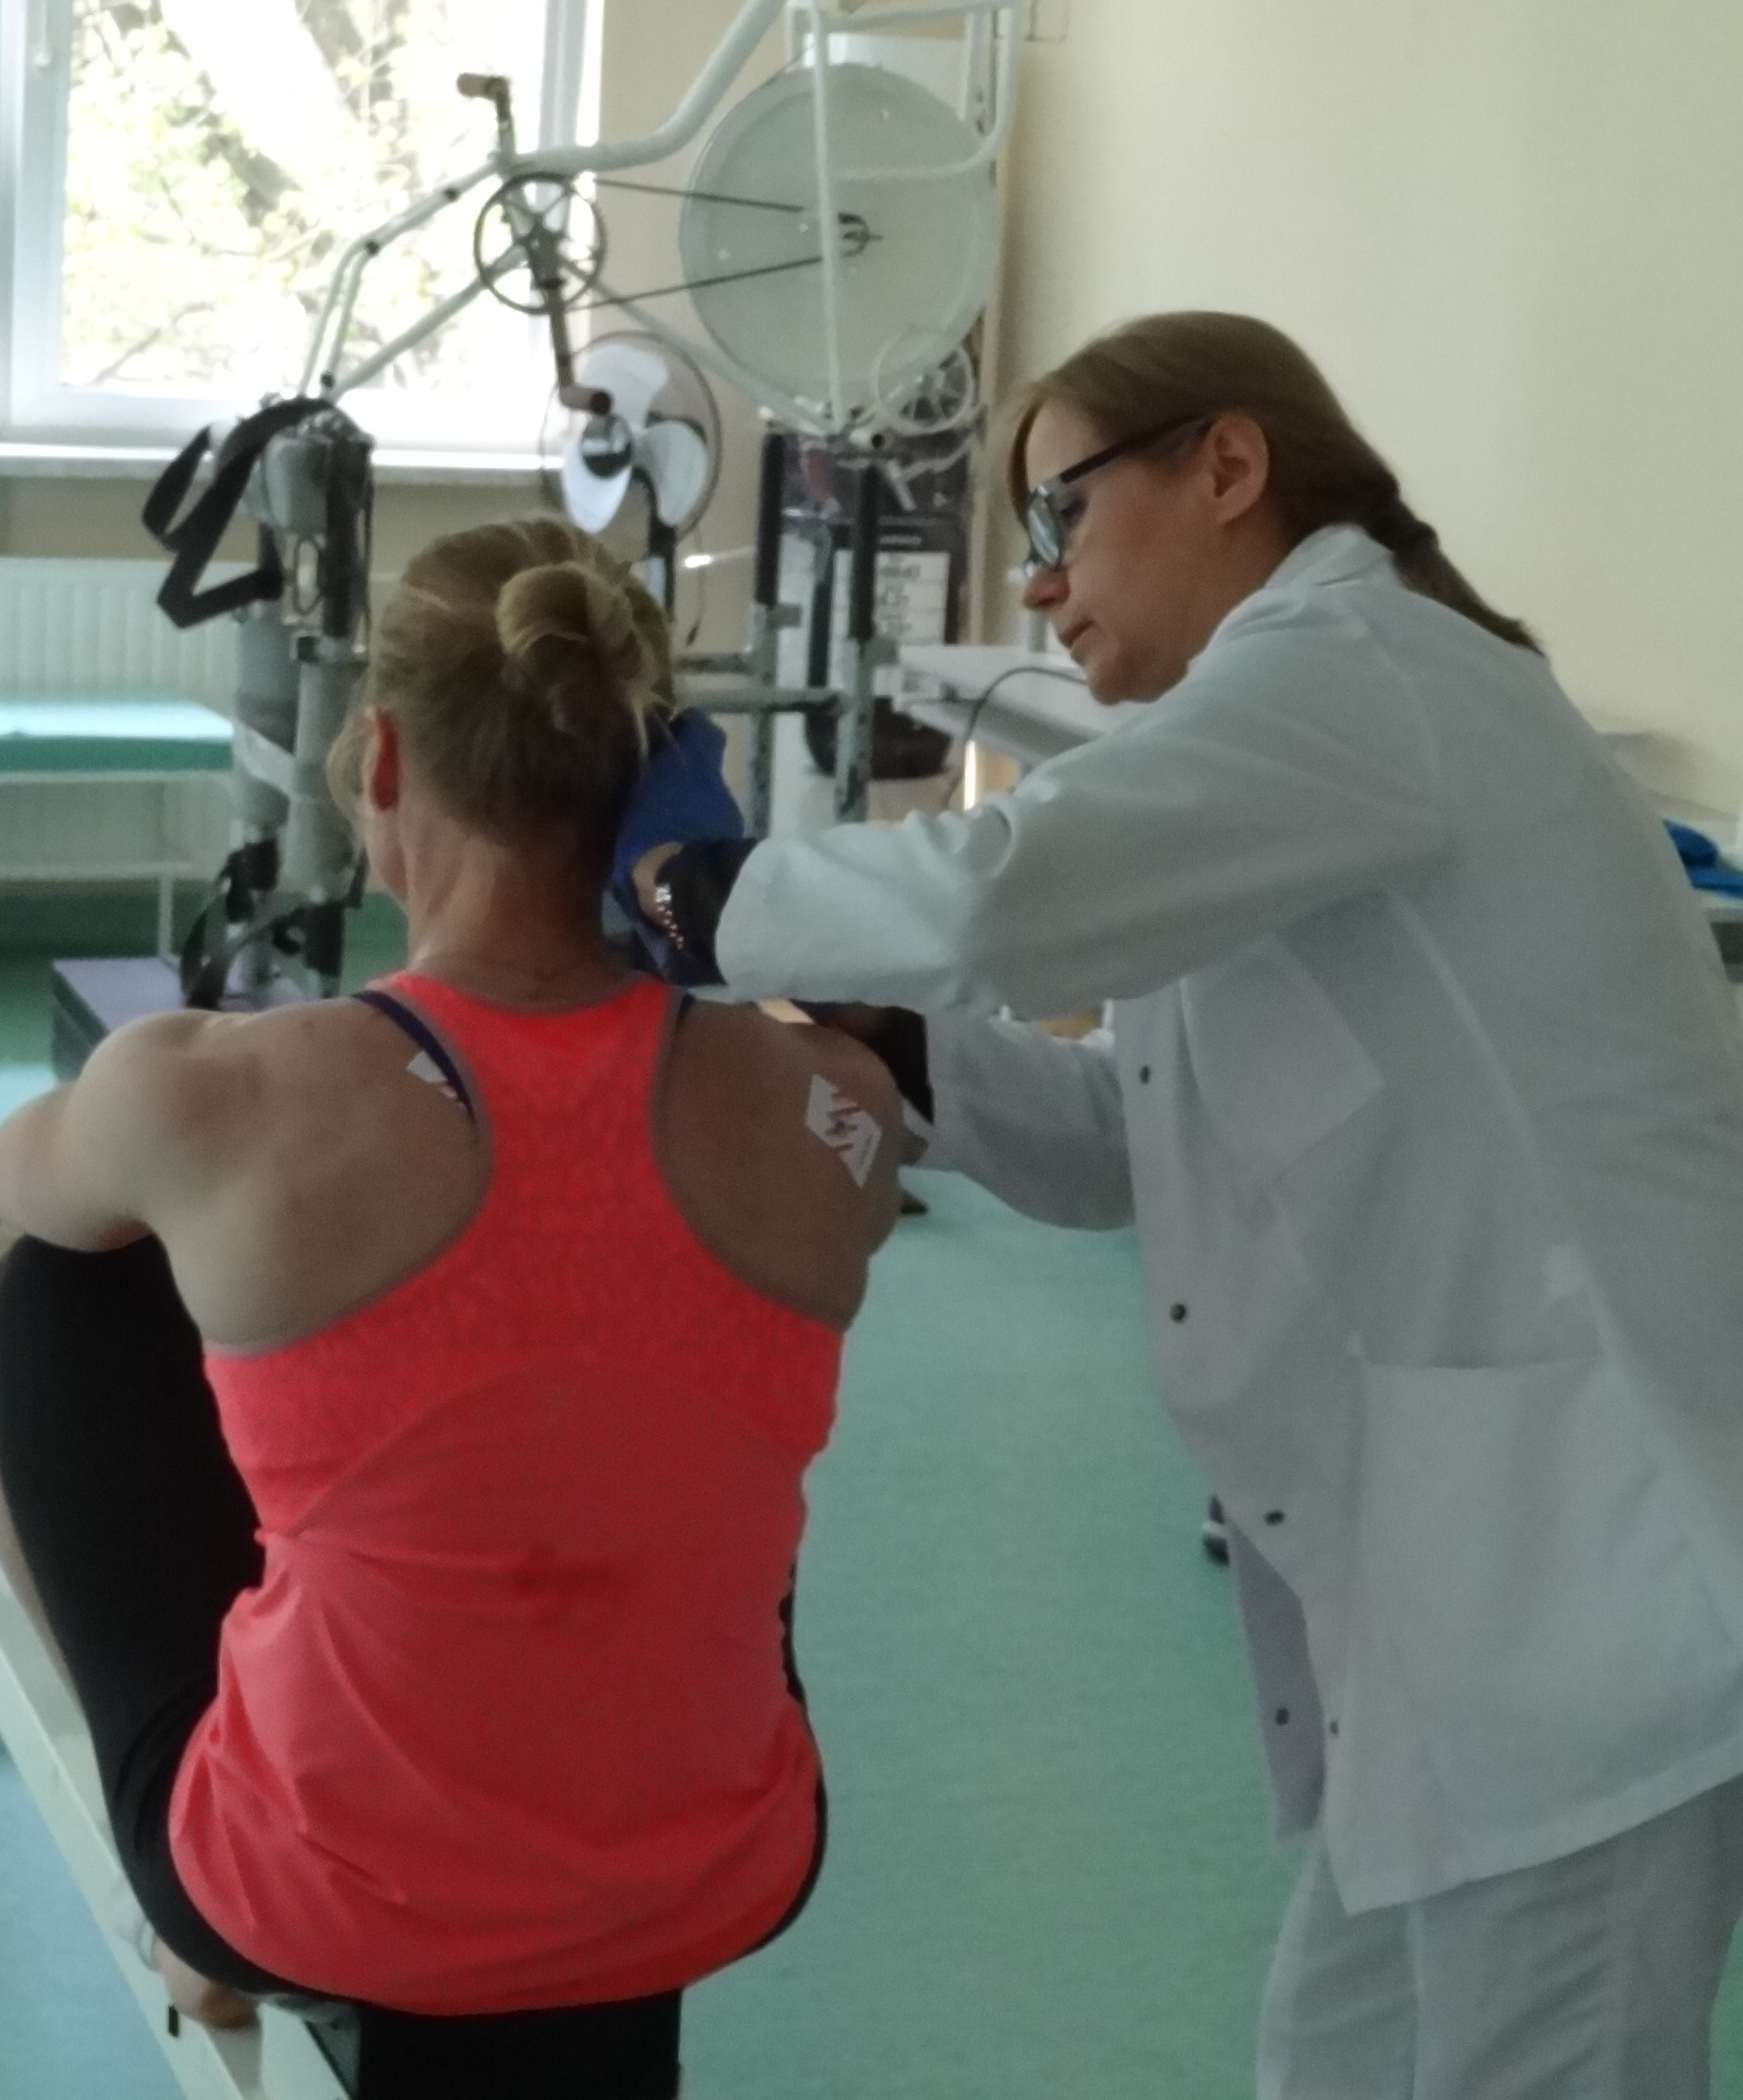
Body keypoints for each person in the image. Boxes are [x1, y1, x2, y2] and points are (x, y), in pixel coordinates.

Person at [626, 311, 1743, 2100]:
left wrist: (703, 899)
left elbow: (1001, 892)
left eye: (1060, 517)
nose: (1042, 587)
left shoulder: (1359, 665)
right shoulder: (1276, 762)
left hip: (1590, 1571)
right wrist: (896, 1044)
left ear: (1228, 466)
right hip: (1461, 1604)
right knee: (1334, 2059)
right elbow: (1133, 1139)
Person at [0, 518, 901, 2095]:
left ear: (386, 757)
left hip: (314, 1895)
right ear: (655, 776)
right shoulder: (836, 1117)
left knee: (61, 1282)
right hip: (724, 1872)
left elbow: (17, 1170)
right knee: (673, 1394)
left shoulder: (210, 1093)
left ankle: (202, 1916)